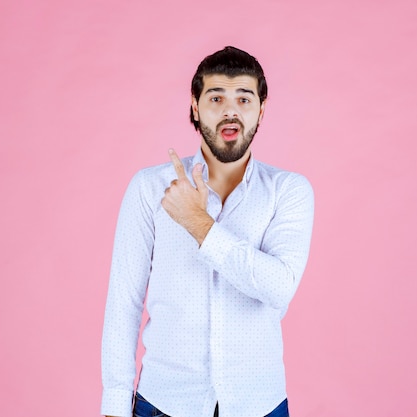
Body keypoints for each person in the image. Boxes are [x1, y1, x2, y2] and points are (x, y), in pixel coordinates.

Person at [101, 46, 314, 417]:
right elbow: (124, 302)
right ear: (196, 108)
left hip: (259, 405)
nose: (230, 110)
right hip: (164, 403)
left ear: (261, 110)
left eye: (244, 98)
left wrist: (197, 223)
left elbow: (279, 287)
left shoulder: (289, 191)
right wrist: (115, 405)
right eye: (216, 97)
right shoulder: (149, 188)